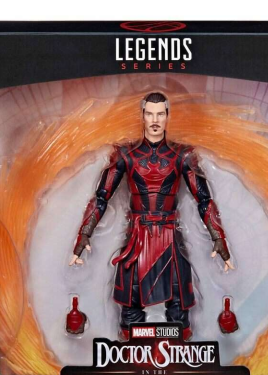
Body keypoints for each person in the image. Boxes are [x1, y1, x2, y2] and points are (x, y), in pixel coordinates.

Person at [70, 92, 235, 341]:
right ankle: (130, 353)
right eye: (150, 114)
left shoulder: (182, 155)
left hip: (171, 236)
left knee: (179, 307)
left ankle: (178, 353)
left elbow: (204, 199)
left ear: (167, 116)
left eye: (159, 114)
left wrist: (218, 238)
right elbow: (101, 196)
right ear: (143, 116)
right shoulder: (126, 155)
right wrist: (84, 234)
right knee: (130, 306)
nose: (155, 120)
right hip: (137, 238)